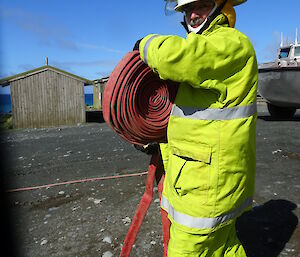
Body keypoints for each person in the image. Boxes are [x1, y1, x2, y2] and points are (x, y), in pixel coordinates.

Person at [135, 0, 258, 256]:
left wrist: (145, 45)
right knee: (225, 248)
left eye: (201, 5)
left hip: (206, 190)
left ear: (221, 7)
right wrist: (159, 138)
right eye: (187, 10)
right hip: (207, 181)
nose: (193, 15)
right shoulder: (207, 57)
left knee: (188, 250)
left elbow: (180, 57)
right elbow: (195, 120)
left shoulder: (231, 44)